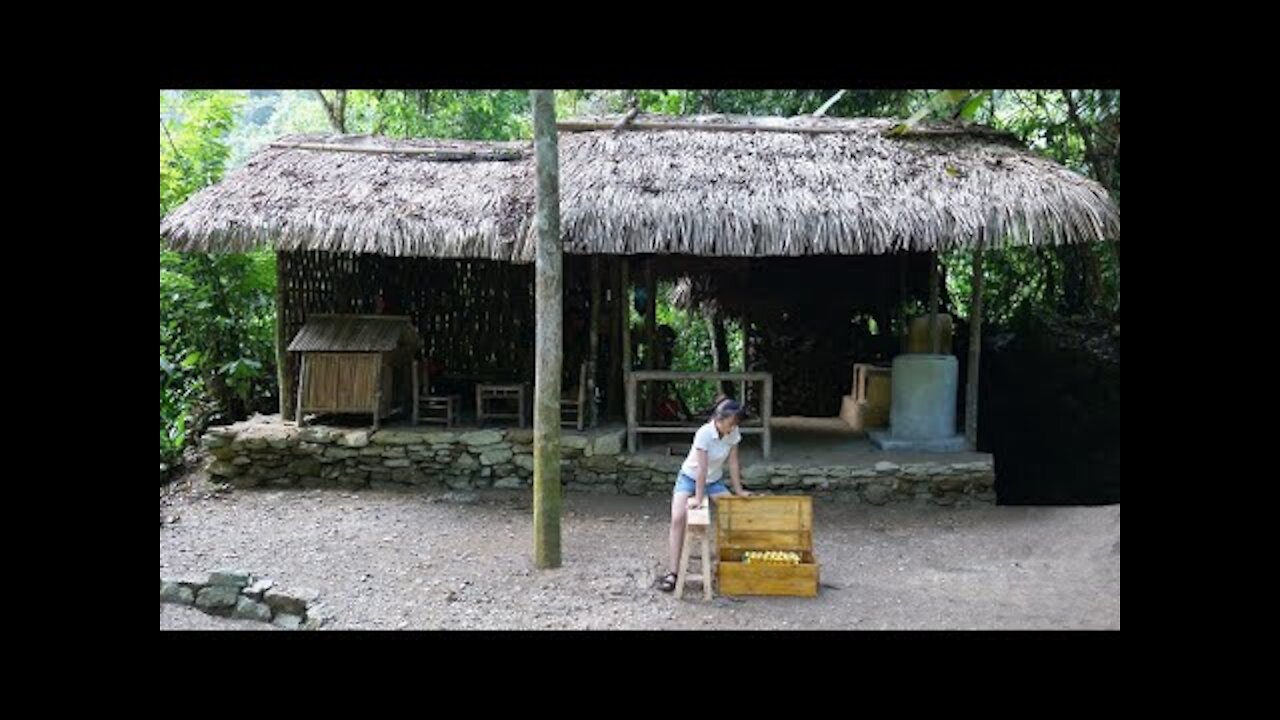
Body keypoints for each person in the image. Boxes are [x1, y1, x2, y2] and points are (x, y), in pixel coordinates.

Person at [658, 397, 752, 592]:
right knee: (678, 518)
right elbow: (702, 468)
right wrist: (698, 499)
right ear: (720, 418)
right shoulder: (704, 433)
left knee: (733, 513)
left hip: (714, 481)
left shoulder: (733, 433)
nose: (733, 426)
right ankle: (673, 573)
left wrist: (739, 490)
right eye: (731, 422)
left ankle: (731, 564)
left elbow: (733, 462)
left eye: (736, 423)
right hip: (690, 478)